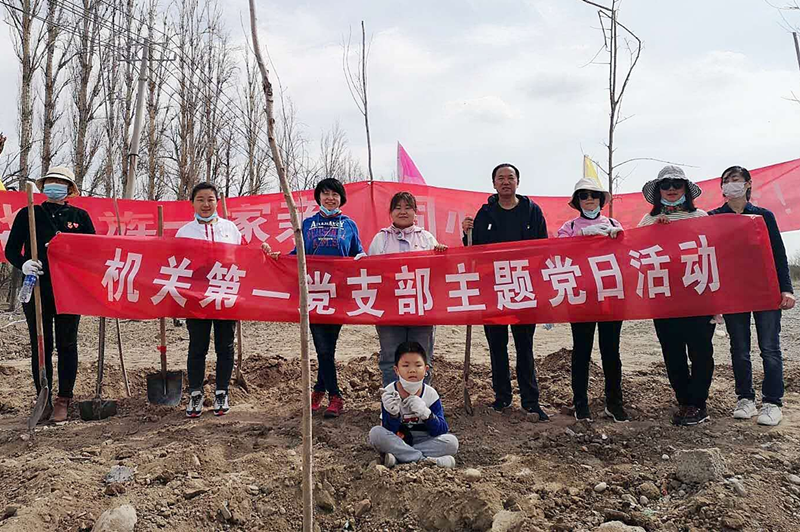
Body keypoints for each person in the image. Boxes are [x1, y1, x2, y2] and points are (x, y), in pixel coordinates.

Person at [267, 178, 364, 418]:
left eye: (335, 194)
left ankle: (320, 390)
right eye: (325, 194)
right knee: (322, 347)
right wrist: (279, 258)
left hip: (338, 294)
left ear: (342, 199)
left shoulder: (349, 225)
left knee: (328, 348)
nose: (330, 198)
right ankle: (335, 396)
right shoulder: (308, 224)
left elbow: (358, 252)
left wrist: (364, 259)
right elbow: (297, 253)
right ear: (319, 197)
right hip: (314, 293)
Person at [5, 166, 96, 423]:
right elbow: (11, 249)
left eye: (60, 182)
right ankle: (43, 396)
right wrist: (24, 263)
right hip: (37, 288)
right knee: (41, 344)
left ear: (69, 188)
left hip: (69, 289)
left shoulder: (80, 217)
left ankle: (64, 399)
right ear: (43, 186)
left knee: (67, 344)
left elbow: (93, 251)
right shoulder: (29, 214)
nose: (54, 185)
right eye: (50, 181)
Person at [461, 163, 549, 420]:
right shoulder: (485, 213)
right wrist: (466, 232)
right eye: (501, 178)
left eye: (510, 177)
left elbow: (543, 247)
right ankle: (502, 398)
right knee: (497, 346)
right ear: (494, 184)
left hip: (523, 288)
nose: (506, 182)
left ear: (517, 182)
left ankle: (531, 401)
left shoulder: (532, 211)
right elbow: (473, 250)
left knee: (525, 346)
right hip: (494, 290)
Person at [708, 165, 795, 426]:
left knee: (769, 347)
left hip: (765, 290)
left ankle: (772, 402)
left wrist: (786, 288)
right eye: (725, 180)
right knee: (739, 348)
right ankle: (745, 398)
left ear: (747, 184)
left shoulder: (763, 216)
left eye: (735, 179)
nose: (729, 184)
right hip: (733, 292)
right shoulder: (713, 218)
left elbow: (778, 254)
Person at [639, 165, 715, 426]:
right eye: (665, 185)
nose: (671, 189)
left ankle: (698, 403)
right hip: (664, 298)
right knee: (672, 352)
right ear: (658, 190)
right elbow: (636, 253)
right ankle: (684, 400)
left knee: (701, 351)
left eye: (677, 184)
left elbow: (714, 252)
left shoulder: (701, 217)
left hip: (698, 295)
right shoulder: (648, 220)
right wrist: (654, 231)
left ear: (685, 189)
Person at [556, 176, 628, 422]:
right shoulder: (569, 227)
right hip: (581, 296)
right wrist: (580, 236)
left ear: (601, 200)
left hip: (609, 294)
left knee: (611, 351)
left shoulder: (613, 223)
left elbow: (626, 254)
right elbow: (557, 251)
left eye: (593, 195)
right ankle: (581, 404)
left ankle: (614, 403)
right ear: (577, 201)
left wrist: (621, 238)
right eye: (583, 196)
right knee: (581, 351)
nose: (589, 200)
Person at [176, 182, 243, 418]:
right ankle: (195, 392)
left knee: (225, 345)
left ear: (218, 202)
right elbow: (177, 264)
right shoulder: (184, 232)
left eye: (210, 199)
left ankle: (222, 391)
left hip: (225, 293)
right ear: (192, 203)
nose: (206, 204)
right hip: (196, 298)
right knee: (197, 346)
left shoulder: (230, 229)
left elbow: (244, 256)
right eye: (201, 199)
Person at [367, 191, 447, 386]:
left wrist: (441, 254)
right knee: (390, 359)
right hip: (389, 309)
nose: (403, 212)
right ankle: (393, 400)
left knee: (422, 358)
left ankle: (420, 400)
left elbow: (438, 271)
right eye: (398, 208)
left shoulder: (427, 238)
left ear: (415, 212)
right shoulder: (380, 239)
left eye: (408, 208)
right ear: (390, 212)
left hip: (421, 308)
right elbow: (370, 271)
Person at [368, 341, 458, 468]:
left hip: (425, 440)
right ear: (396, 370)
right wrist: (393, 415)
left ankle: (400, 458)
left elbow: (441, 430)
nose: (412, 370)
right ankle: (425, 460)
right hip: (398, 440)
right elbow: (388, 430)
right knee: (376, 433)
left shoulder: (431, 394)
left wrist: (427, 414)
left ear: (426, 369)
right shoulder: (389, 392)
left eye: (418, 365)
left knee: (452, 443)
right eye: (405, 365)